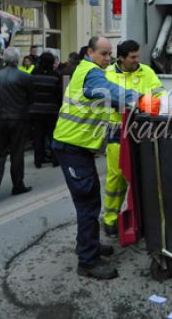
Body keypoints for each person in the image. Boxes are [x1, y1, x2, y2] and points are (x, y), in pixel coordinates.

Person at [52, 35, 158, 280]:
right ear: (90, 52)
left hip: (78, 147)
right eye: (104, 54)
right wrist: (140, 99)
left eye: (110, 54)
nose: (108, 58)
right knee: (88, 205)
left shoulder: (90, 69)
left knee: (90, 200)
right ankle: (88, 262)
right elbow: (108, 90)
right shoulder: (90, 72)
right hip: (71, 147)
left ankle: (87, 246)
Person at [102, 40, 165, 236]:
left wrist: (157, 104)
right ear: (121, 58)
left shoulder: (146, 71)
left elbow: (160, 94)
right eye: (133, 57)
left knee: (144, 176)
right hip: (117, 132)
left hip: (142, 130)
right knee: (117, 177)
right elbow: (103, 101)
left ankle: (143, 219)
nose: (137, 61)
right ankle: (110, 219)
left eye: (138, 56)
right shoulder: (108, 75)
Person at [0, 47, 35, 204]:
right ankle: (18, 184)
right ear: (17, 60)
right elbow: (31, 98)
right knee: (17, 152)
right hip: (18, 119)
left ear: (5, 60)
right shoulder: (25, 77)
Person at [30, 52, 63, 168]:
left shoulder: (34, 75)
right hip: (51, 110)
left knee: (38, 136)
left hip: (36, 110)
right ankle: (55, 159)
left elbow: (29, 93)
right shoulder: (55, 76)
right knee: (52, 135)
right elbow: (59, 95)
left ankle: (38, 160)